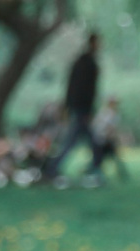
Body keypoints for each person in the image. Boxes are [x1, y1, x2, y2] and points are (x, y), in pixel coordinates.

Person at [47, 33, 104, 184]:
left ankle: (94, 167)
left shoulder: (85, 62)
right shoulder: (86, 63)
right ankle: (53, 168)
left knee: (87, 141)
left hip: (80, 108)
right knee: (76, 141)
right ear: (93, 43)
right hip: (81, 108)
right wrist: (82, 108)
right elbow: (81, 88)